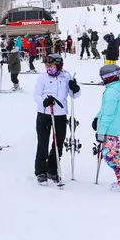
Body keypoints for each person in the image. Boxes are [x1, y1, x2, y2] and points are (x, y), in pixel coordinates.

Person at [33, 54, 81, 184]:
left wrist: (75, 88)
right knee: (43, 142)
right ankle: (41, 171)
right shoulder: (42, 78)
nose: (49, 68)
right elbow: (36, 95)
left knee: (58, 143)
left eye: (51, 66)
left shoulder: (66, 76)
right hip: (45, 114)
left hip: (60, 114)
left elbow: (74, 95)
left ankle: (52, 169)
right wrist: (44, 101)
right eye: (47, 66)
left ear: (59, 66)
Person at [92, 64, 120, 192]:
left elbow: (108, 114)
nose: (102, 80)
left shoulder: (111, 92)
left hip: (109, 129)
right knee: (112, 155)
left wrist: (101, 131)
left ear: (110, 77)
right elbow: (104, 110)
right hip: (112, 128)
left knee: (111, 156)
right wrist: (96, 118)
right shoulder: (115, 89)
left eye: (103, 78)